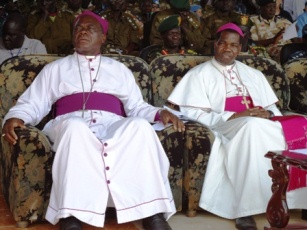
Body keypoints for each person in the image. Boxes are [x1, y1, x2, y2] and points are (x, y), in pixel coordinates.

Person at [2, 10, 185, 230]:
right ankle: (70, 216)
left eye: (90, 28)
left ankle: (152, 213)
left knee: (139, 127)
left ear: (103, 38)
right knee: (75, 128)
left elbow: (136, 107)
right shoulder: (55, 69)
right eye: (78, 28)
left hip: (112, 122)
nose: (83, 31)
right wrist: (16, 116)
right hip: (69, 121)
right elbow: (34, 102)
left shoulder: (120, 70)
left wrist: (159, 114)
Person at [167, 22, 307, 230]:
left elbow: (274, 110)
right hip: (226, 125)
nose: (228, 49)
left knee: (300, 123)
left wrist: (267, 113)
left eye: (233, 45)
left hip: (259, 123)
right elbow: (192, 112)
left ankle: (299, 201)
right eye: (223, 44)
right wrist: (236, 115)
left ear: (240, 49)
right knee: (251, 126)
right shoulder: (198, 75)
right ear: (215, 45)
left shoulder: (254, 74)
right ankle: (246, 209)